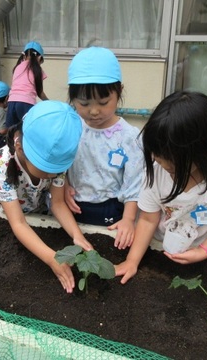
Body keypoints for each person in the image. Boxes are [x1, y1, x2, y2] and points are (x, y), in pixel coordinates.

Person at [116, 91, 207, 284]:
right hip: (159, 242)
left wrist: (203, 251)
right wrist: (132, 261)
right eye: (158, 158)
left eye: (174, 165)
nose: (164, 167)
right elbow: (148, 220)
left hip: (202, 244)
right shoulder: (156, 172)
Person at [0, 100, 93, 293]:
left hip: (39, 214)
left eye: (57, 172)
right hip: (10, 217)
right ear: (20, 149)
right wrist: (51, 258)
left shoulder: (57, 165)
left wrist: (77, 235)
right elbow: (18, 223)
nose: (52, 177)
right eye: (46, 171)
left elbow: (58, 203)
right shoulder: (2, 165)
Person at [65, 46, 144, 249]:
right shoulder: (70, 127)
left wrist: (128, 219)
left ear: (119, 93)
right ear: (72, 99)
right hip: (73, 206)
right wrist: (63, 186)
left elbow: (134, 183)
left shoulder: (129, 137)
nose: (93, 111)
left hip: (112, 210)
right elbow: (58, 162)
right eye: (83, 103)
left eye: (103, 102)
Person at [5, 41, 48, 128]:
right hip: (25, 102)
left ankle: (12, 142)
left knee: (12, 130)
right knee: (29, 129)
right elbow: (40, 92)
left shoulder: (17, 67)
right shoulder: (37, 70)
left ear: (24, 56)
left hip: (12, 101)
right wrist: (49, 102)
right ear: (39, 58)